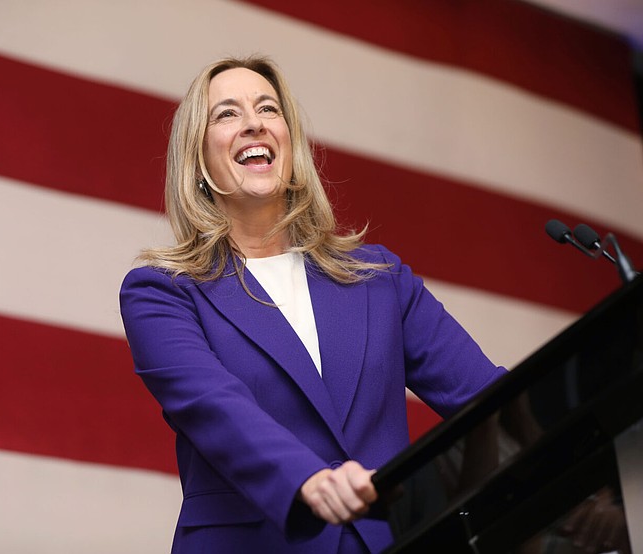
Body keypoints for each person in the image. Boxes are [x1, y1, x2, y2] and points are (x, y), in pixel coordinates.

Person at [119, 55, 506, 553]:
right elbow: (218, 408)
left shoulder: (378, 278)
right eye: (227, 114)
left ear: (290, 143)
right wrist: (311, 481)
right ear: (197, 160)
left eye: (268, 109)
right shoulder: (161, 291)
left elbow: (490, 399)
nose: (254, 123)